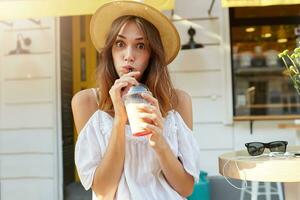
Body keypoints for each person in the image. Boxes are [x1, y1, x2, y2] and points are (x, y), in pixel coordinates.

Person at [72, 1, 201, 200]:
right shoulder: (86, 102)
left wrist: (159, 142)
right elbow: (103, 192)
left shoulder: (178, 101)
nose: (129, 56)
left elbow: (186, 189)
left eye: (140, 46)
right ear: (110, 52)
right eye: (120, 44)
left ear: (151, 55)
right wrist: (119, 122)